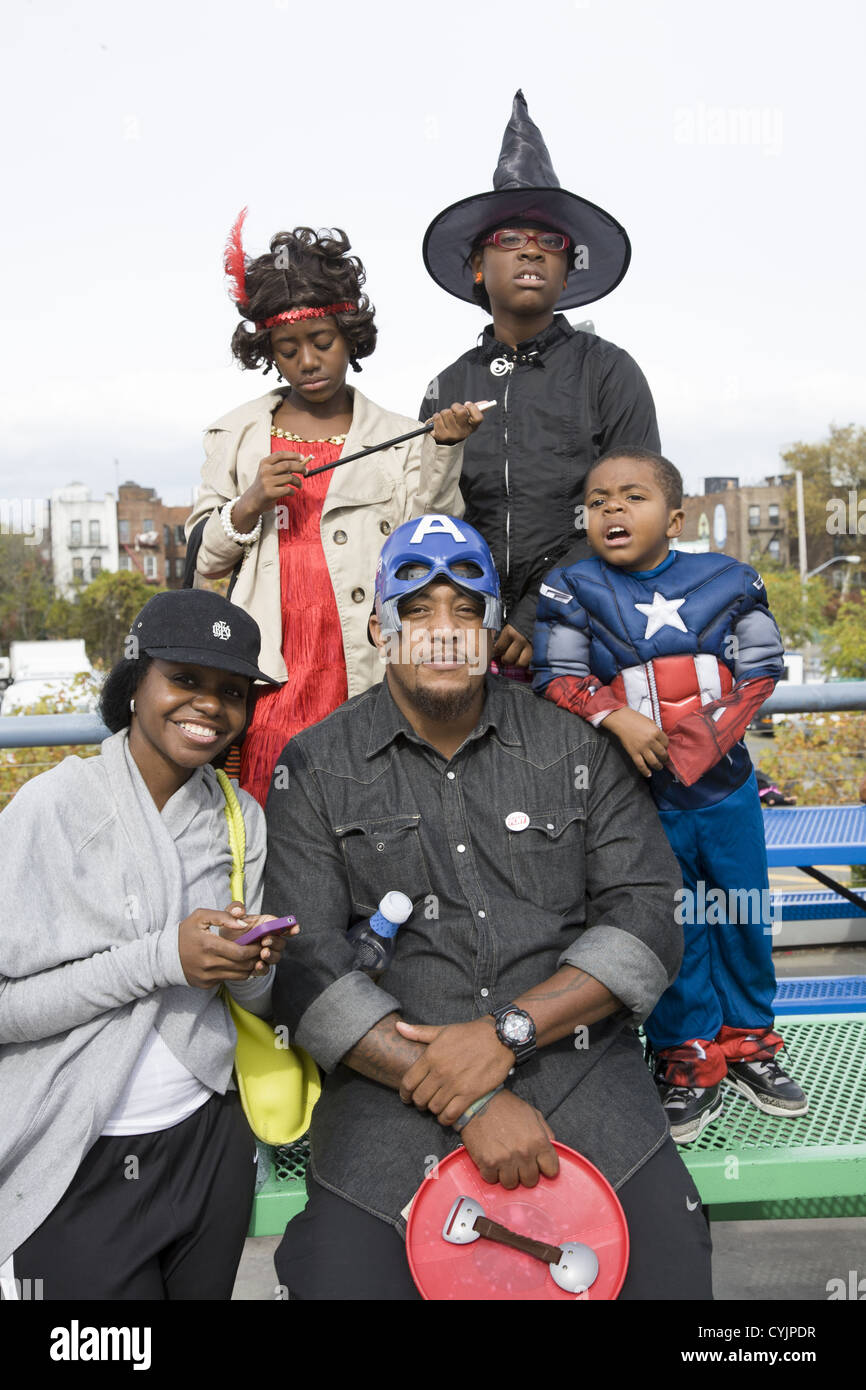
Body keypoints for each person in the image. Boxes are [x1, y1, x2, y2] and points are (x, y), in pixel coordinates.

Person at [263, 513, 713, 1301]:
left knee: (669, 1272)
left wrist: (511, 1032)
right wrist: (471, 1096)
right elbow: (306, 966)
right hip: (393, 1100)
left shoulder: (577, 747)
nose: (445, 633)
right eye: (419, 611)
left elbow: (646, 917)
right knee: (341, 1280)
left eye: (467, 612)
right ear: (380, 627)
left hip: (584, 1081)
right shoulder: (317, 765)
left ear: (496, 627)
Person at [0, 589, 295, 1300]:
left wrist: (252, 964)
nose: (209, 706)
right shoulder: (49, 808)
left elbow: (249, 1001)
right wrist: (164, 958)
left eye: (231, 690)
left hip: (208, 1146)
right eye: (185, 679)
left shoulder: (239, 816)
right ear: (135, 683)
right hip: (75, 1157)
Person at [533, 446, 808, 1142]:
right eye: (597, 502)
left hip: (725, 789)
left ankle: (749, 1041)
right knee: (671, 926)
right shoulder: (572, 588)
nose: (613, 510)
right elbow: (558, 675)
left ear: (676, 516)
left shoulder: (729, 578)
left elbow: (762, 666)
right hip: (638, 801)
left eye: (632, 496)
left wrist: (696, 743)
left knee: (743, 912)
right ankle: (686, 1052)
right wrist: (614, 714)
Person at [186, 215, 482, 805]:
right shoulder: (236, 435)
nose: (308, 361)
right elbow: (202, 562)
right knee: (273, 794)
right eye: (287, 349)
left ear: (350, 337)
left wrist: (444, 449)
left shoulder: (402, 434)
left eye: (322, 343)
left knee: (367, 792)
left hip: (362, 649)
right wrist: (248, 504)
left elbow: (428, 537)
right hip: (272, 653)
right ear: (269, 353)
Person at [419, 91, 660, 671]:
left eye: (551, 242)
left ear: (566, 266)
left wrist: (539, 608)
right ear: (479, 265)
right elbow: (428, 516)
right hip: (471, 639)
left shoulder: (608, 370)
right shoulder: (448, 384)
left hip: (590, 629)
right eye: (509, 238)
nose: (532, 247)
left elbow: (631, 509)